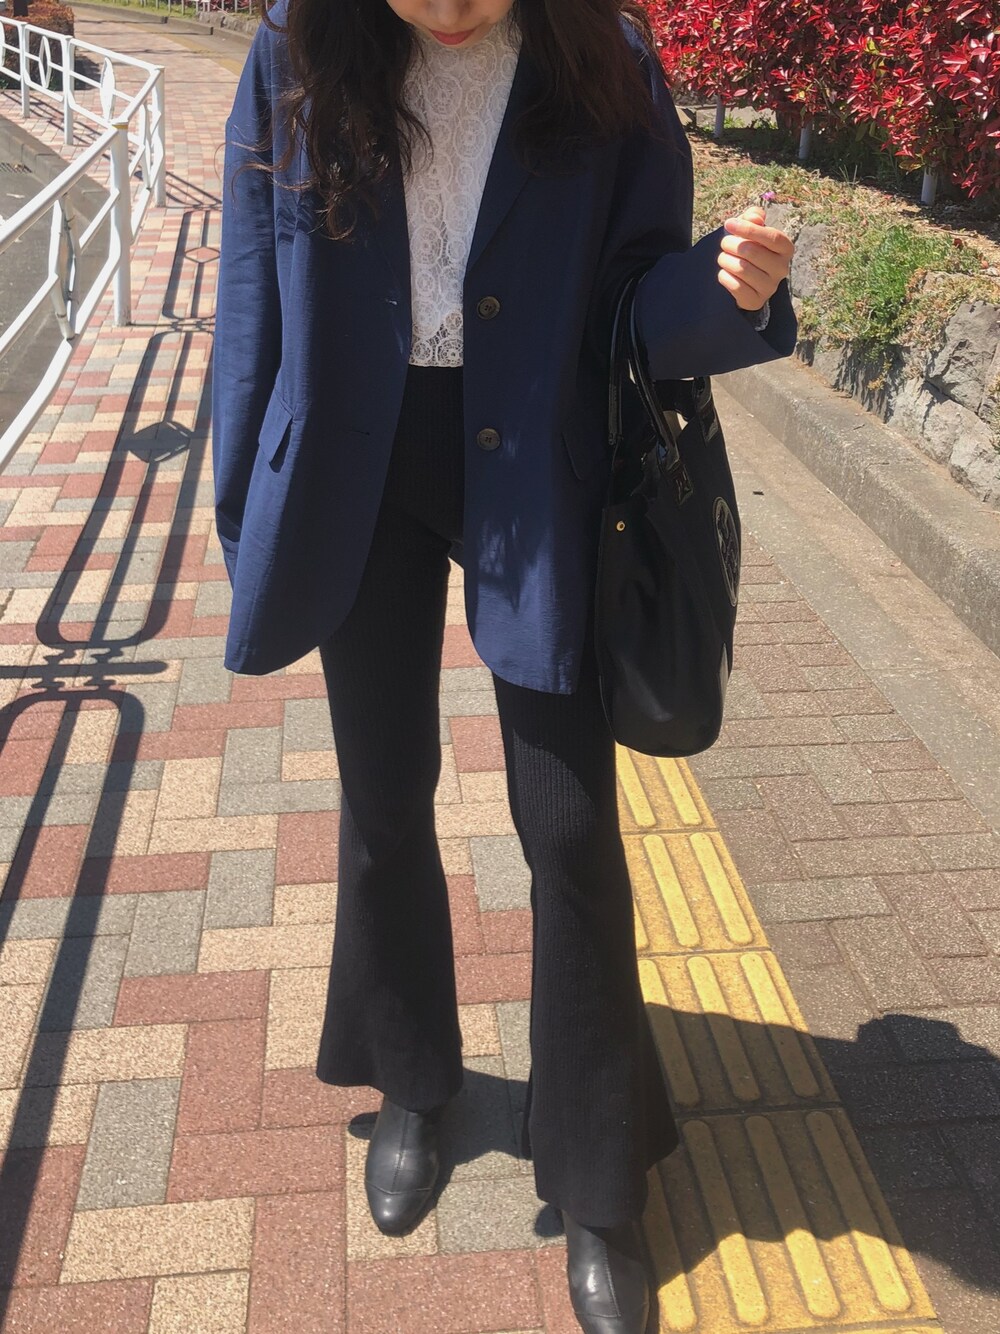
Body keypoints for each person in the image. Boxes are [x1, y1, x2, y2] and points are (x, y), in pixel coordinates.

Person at [212, 2, 796, 1329]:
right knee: (384, 792)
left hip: (537, 456)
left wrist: (725, 291)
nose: (453, 11)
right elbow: (252, 288)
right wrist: (249, 504)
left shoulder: (606, 59)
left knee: (572, 826)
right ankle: (413, 1080)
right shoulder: (297, 48)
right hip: (358, 461)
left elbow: (638, 295)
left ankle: (599, 1179)